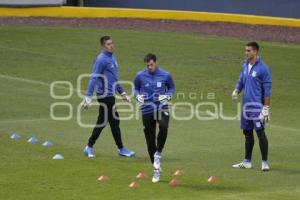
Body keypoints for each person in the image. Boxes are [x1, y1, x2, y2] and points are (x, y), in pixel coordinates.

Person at [81, 35, 135, 158]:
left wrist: (122, 92)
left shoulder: (113, 57)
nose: (111, 46)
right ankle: (120, 148)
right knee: (112, 121)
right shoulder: (101, 59)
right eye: (108, 44)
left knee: (106, 121)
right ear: (103, 46)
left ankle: (90, 146)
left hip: (111, 94)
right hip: (104, 95)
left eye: (112, 43)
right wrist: (88, 96)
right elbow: (94, 77)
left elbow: (114, 78)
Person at [134, 53, 175, 183]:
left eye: (151, 64)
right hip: (146, 110)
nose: (150, 67)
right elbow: (135, 88)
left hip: (161, 107)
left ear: (156, 62)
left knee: (163, 127)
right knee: (150, 141)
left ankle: (158, 153)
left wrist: (168, 96)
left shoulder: (165, 75)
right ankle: (156, 170)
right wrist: (137, 96)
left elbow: (172, 88)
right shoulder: (140, 76)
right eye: (147, 65)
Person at [232, 41, 272, 171]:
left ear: (255, 52)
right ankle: (247, 161)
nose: (246, 53)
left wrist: (265, 109)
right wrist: (236, 91)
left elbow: (267, 90)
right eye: (246, 50)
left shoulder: (263, 69)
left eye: (248, 50)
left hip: (256, 107)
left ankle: (265, 162)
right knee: (247, 133)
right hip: (246, 107)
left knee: (260, 133)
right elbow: (241, 81)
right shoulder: (245, 65)